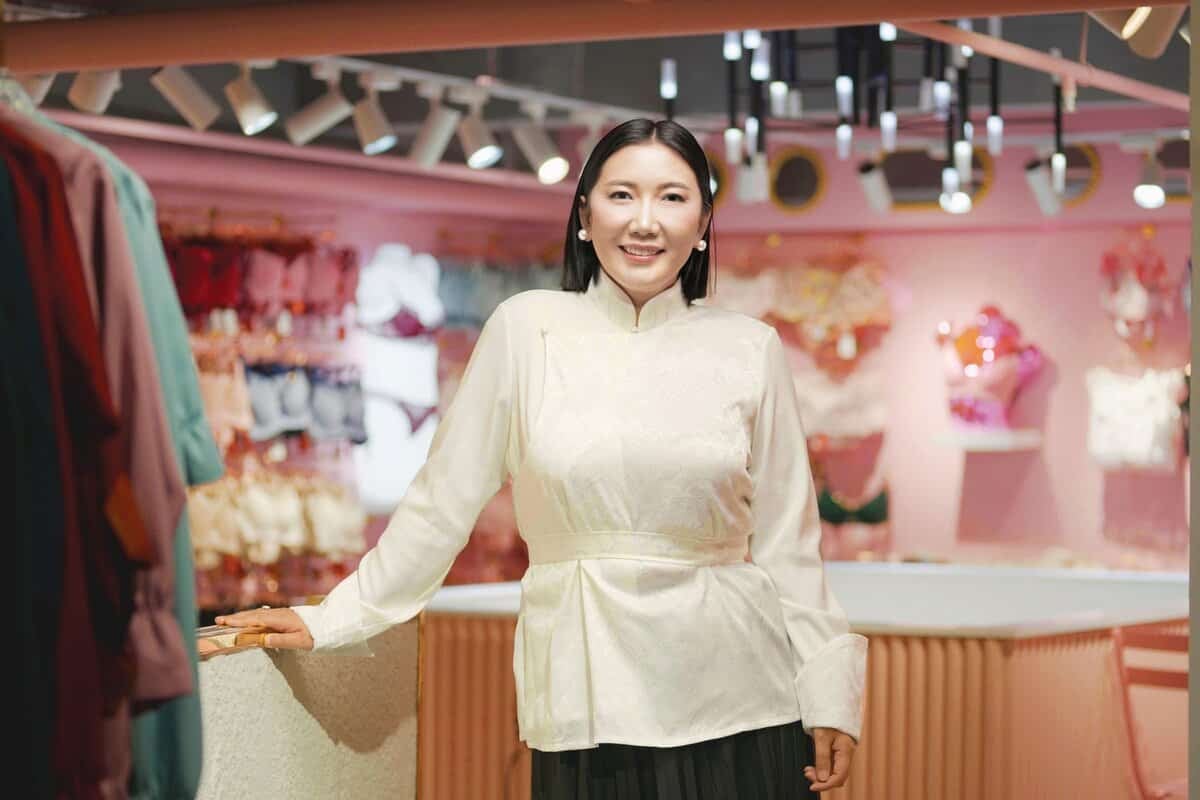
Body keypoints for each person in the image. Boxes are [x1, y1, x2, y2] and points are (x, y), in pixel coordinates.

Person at [217, 118, 867, 798]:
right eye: (622, 195)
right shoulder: (526, 328)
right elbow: (442, 502)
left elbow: (790, 545)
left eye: (672, 198)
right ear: (584, 214)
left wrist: (828, 694)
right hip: (588, 702)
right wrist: (332, 618)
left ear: (703, 222)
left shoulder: (749, 346)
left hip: (743, 702)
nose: (645, 220)